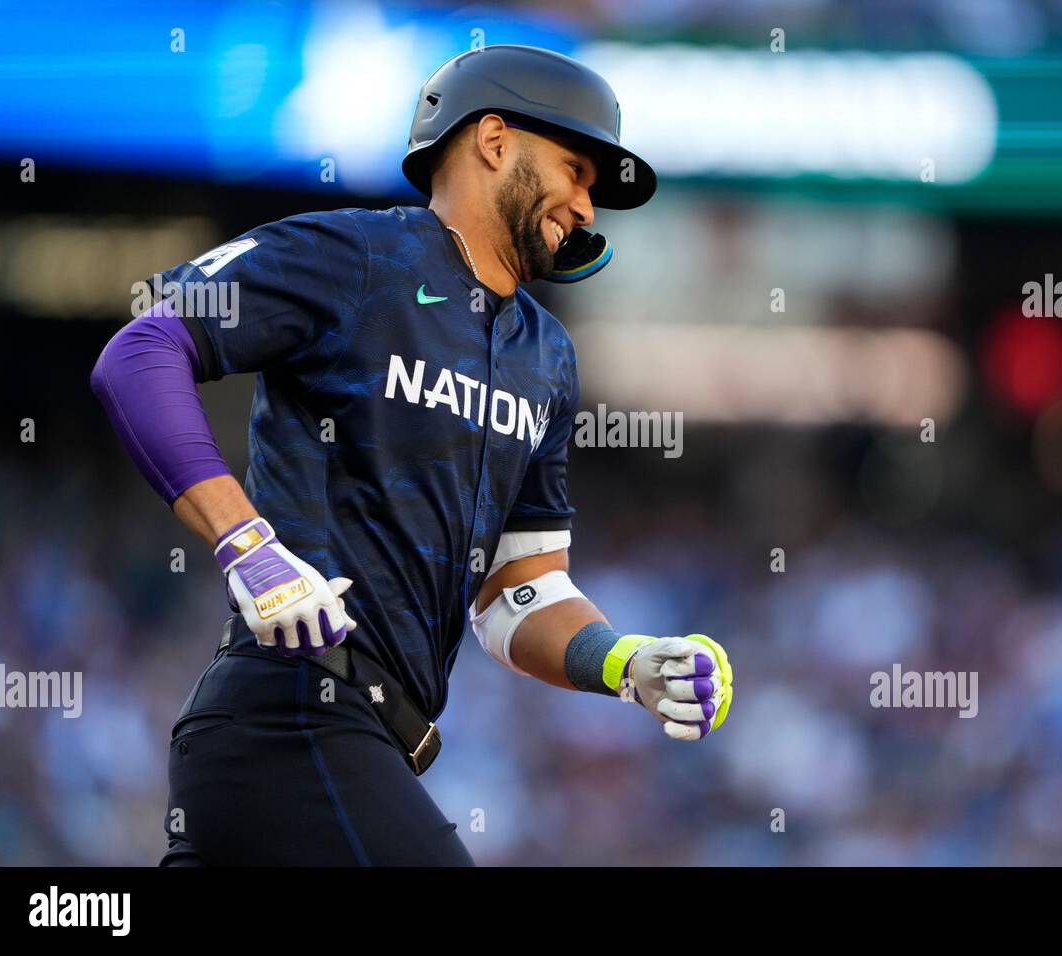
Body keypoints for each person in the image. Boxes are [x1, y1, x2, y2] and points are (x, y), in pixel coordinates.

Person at [89, 44, 734, 866]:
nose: (586, 206)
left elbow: (519, 598)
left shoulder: (547, 356)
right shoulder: (356, 257)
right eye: (576, 169)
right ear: (494, 141)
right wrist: (247, 545)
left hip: (350, 750)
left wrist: (626, 659)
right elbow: (140, 353)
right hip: (294, 712)